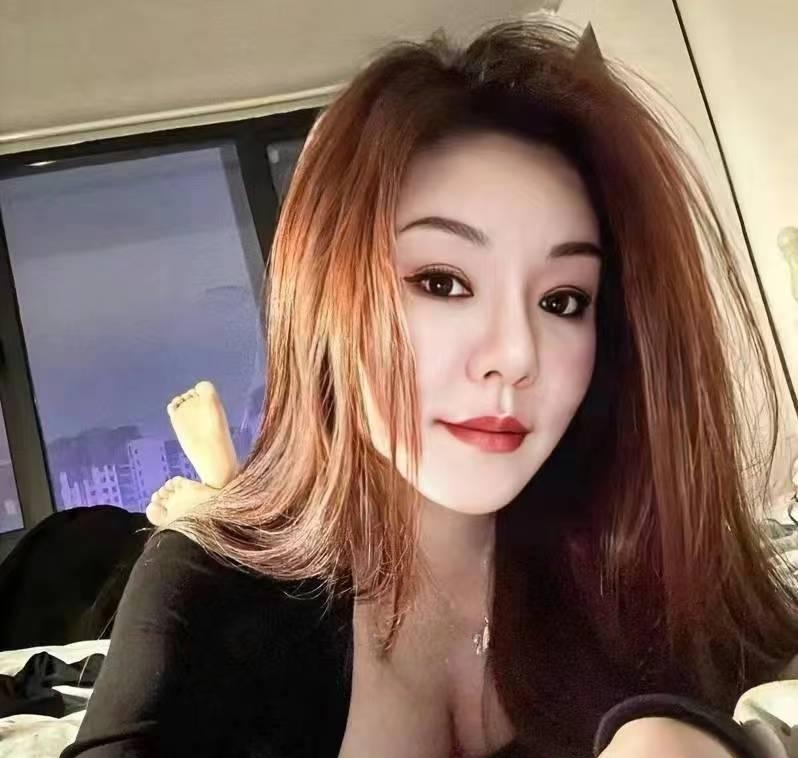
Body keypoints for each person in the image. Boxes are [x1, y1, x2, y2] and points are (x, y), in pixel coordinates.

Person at [62, 17, 798, 758]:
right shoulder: (207, 589)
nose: (516, 356)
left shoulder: (629, 563)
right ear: (329, 300)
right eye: (442, 282)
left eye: (563, 300)